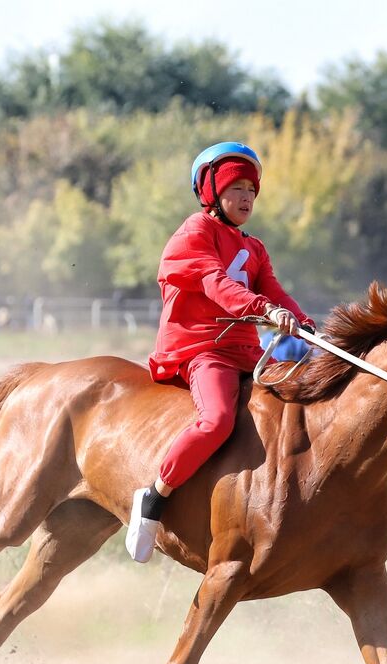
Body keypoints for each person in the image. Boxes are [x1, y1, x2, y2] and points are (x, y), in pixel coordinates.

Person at [125, 142, 315, 563]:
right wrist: (264, 309)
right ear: (211, 192)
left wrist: (301, 320)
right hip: (203, 351)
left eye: (252, 188)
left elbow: (274, 291)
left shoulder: (256, 247)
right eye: (236, 187)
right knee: (217, 421)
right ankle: (155, 497)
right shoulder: (194, 232)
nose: (247, 196)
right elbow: (216, 284)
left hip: (247, 352)